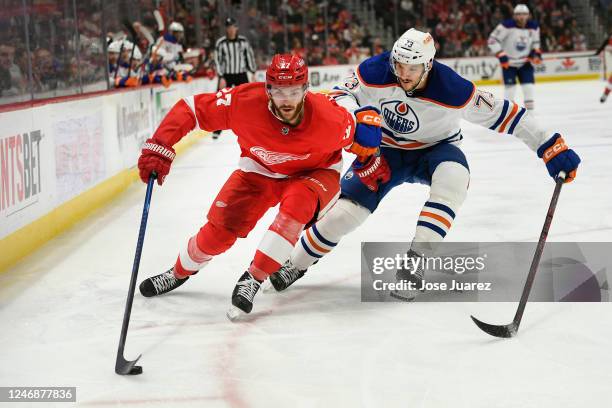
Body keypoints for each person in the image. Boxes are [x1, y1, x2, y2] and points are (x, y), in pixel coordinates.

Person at [265, 28, 581, 301]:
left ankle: (416, 262)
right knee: (343, 216)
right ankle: (297, 262)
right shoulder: (376, 70)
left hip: (437, 149)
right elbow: (336, 95)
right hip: (384, 151)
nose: (402, 72)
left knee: (454, 180)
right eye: (399, 64)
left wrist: (549, 144)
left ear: (428, 65)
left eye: (411, 68)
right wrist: (358, 114)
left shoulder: (452, 89)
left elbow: (507, 114)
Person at [136, 54, 383, 320]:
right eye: (278, 91)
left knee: (297, 205)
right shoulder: (243, 102)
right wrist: (160, 145)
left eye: (293, 91)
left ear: (305, 89)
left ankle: (254, 277)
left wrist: (366, 140)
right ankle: (177, 272)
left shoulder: (330, 121)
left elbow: (360, 135)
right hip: (258, 171)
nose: (286, 99)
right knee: (217, 234)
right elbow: (190, 109)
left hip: (315, 173)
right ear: (267, 89)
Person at [488, 4, 541, 110]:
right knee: (510, 90)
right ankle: (508, 115)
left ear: (528, 15)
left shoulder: (534, 26)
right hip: (509, 64)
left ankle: (530, 116)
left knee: (528, 88)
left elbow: (536, 43)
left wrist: (536, 54)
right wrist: (502, 56)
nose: (521, 17)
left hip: (525, 63)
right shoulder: (506, 26)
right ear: (514, 15)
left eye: (524, 14)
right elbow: (492, 41)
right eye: (519, 14)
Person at [211, 17, 256, 140]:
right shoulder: (221, 43)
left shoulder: (243, 41)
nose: (231, 30)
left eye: (233, 27)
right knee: (219, 101)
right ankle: (217, 129)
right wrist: (220, 76)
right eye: (229, 27)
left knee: (247, 101)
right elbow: (217, 60)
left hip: (241, 74)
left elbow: (249, 56)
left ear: (236, 28)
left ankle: (250, 126)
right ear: (226, 29)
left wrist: (252, 71)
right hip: (226, 75)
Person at [595, 33, 612, 103]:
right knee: (610, 82)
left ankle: (605, 94)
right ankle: (605, 94)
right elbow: (606, 42)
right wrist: (599, 50)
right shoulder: (609, 39)